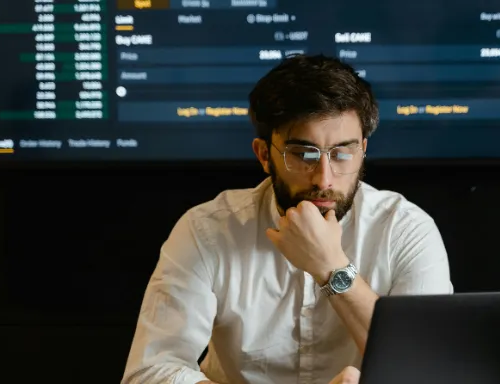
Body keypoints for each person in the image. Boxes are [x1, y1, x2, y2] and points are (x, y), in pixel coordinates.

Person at [121, 54, 453, 384]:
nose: (324, 179)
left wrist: (332, 269)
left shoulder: (406, 231)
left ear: (363, 150)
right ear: (264, 155)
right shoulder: (206, 230)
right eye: (303, 154)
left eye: (342, 153)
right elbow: (150, 373)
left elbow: (431, 368)